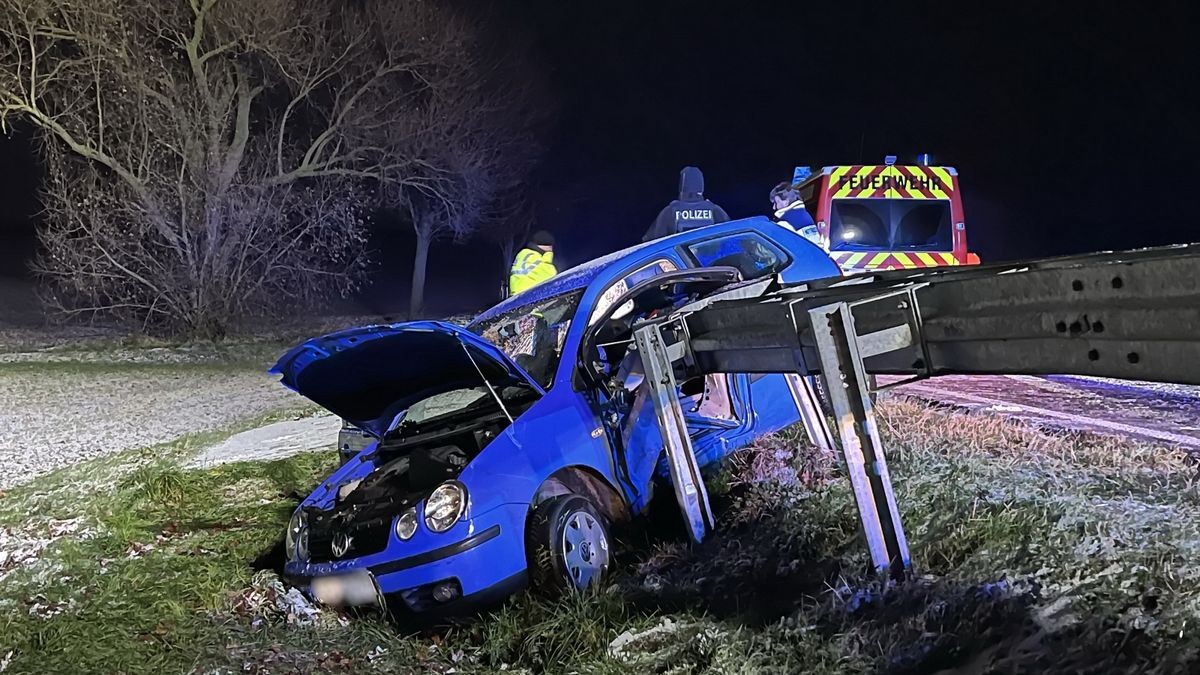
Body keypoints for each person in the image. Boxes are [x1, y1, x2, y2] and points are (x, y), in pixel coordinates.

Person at [641, 166, 730, 242]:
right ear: (701, 186)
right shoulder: (715, 210)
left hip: (679, 261)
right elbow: (732, 239)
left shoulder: (669, 211)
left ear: (681, 186)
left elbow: (651, 243)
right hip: (712, 261)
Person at [769, 181, 821, 247]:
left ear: (786, 202)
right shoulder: (804, 214)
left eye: (776, 203)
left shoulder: (784, 222)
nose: (774, 207)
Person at [508, 230, 557, 296]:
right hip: (532, 297)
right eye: (550, 246)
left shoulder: (523, 254)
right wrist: (549, 255)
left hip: (515, 297)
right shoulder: (541, 259)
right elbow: (553, 279)